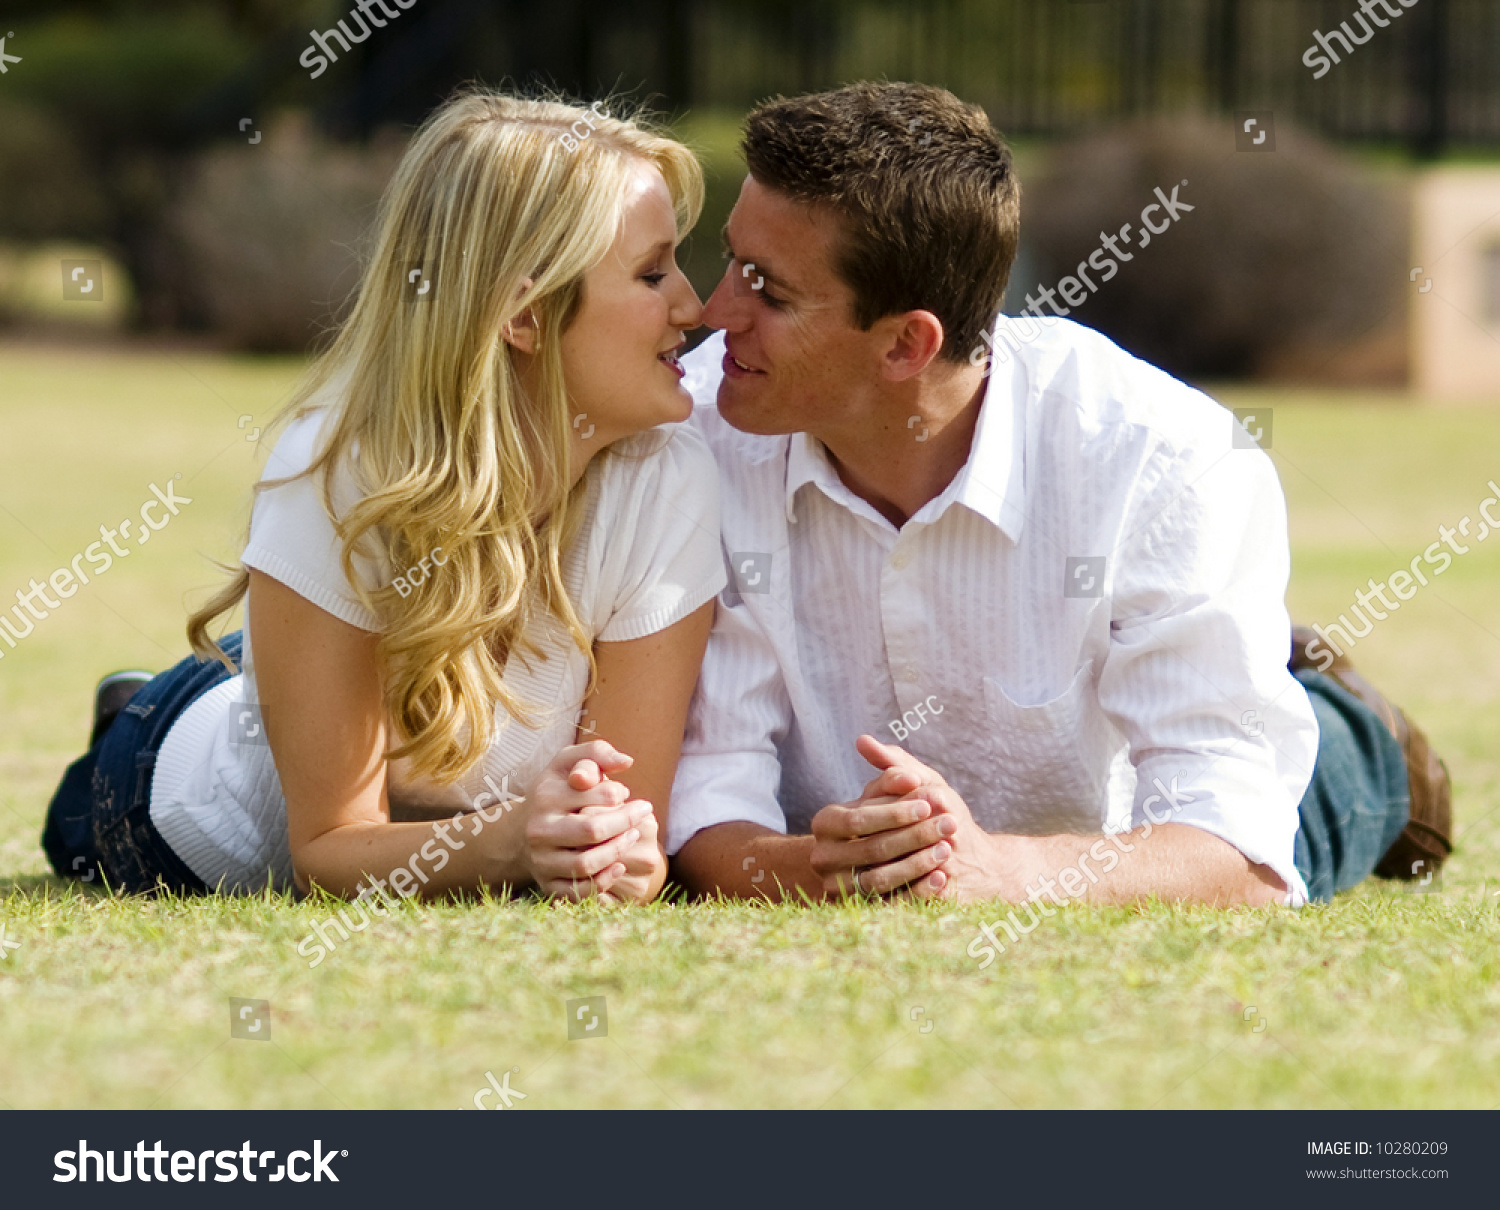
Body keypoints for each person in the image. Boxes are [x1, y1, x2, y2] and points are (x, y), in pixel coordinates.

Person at [666, 81, 1451, 912]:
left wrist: (994, 875)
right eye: (731, 260)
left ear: (907, 344)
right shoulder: (694, 434)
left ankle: (1355, 729)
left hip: (1125, 836)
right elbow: (701, 796)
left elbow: (1238, 855)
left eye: (769, 289)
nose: (714, 311)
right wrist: (836, 873)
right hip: (910, 831)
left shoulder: (1167, 456)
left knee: (1308, 800)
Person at [42, 91, 723, 904]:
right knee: (88, 805)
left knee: (274, 674)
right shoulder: (341, 470)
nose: (696, 305)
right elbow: (326, 851)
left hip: (312, 708)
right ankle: (129, 708)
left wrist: (621, 851)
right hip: (183, 790)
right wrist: (510, 842)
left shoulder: (671, 475)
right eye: (653, 273)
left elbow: (623, 815)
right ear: (524, 314)